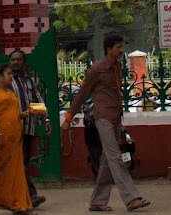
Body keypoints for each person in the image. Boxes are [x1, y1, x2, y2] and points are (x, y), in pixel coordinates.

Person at [62, 34, 146, 212]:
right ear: (109, 49)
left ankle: (98, 201)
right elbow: (82, 94)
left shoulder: (116, 66)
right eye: (118, 47)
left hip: (115, 116)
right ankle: (131, 198)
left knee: (108, 159)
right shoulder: (96, 69)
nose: (121, 50)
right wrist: (68, 118)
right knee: (115, 156)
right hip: (103, 118)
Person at [0, 65, 33, 214]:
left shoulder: (10, 92)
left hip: (15, 138)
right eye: (8, 73)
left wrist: (27, 112)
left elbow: (14, 115)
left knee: (16, 171)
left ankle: (19, 203)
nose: (11, 76)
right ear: (0, 76)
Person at [7, 49, 45, 208]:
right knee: (19, 162)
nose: (15, 62)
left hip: (28, 128)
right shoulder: (7, 81)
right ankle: (30, 194)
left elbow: (36, 101)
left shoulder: (29, 81)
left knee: (23, 161)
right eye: (13, 60)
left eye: (18, 60)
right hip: (12, 129)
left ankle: (25, 196)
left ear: (24, 62)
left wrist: (44, 117)